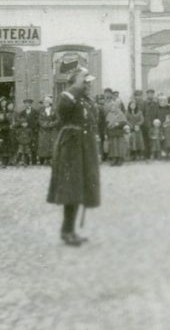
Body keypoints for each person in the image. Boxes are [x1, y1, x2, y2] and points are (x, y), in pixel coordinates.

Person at [47, 63, 100, 246]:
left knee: (80, 188)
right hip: (70, 147)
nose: (89, 84)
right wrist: (76, 86)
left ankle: (70, 230)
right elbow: (62, 110)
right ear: (77, 82)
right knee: (71, 188)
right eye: (85, 81)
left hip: (84, 146)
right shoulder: (67, 96)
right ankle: (66, 231)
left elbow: (93, 118)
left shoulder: (85, 99)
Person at [104, 95, 129, 166]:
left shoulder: (120, 114)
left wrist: (118, 124)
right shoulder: (108, 115)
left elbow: (124, 122)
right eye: (111, 107)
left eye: (114, 107)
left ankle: (120, 159)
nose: (113, 108)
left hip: (119, 133)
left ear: (117, 107)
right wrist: (105, 133)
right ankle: (114, 158)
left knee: (119, 146)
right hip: (111, 133)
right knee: (113, 146)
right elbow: (107, 125)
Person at [36, 96, 58, 167]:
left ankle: (52, 159)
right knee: (44, 145)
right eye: (45, 102)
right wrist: (45, 125)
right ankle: (44, 159)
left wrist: (52, 124)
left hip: (52, 130)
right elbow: (40, 120)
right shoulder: (41, 111)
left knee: (52, 144)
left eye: (47, 102)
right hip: (44, 131)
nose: (45, 103)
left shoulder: (54, 110)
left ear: (50, 103)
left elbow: (58, 119)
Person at [142, 90, 161, 160]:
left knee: (154, 139)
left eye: (151, 94)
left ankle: (154, 154)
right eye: (149, 94)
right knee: (146, 139)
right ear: (147, 95)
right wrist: (144, 123)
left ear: (153, 95)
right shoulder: (144, 103)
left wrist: (157, 122)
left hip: (154, 124)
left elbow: (157, 113)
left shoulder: (156, 103)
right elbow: (142, 113)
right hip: (146, 124)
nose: (150, 95)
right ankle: (146, 155)